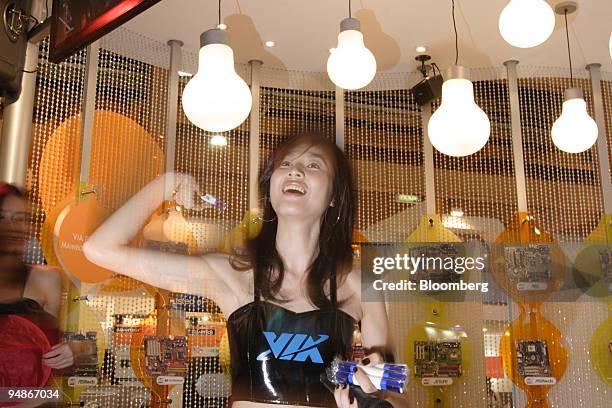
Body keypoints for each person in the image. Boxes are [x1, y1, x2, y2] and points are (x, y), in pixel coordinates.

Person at [84, 132, 407, 407]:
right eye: (286, 164)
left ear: (335, 195)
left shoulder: (360, 284)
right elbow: (100, 249)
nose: (295, 171)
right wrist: (166, 183)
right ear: (271, 186)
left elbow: (395, 392)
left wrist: (375, 395)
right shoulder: (231, 275)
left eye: (313, 165)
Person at [0, 183, 75, 381]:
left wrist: (71, 353)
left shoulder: (46, 279)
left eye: (21, 219)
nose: (13, 227)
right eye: (2, 217)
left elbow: (53, 353)